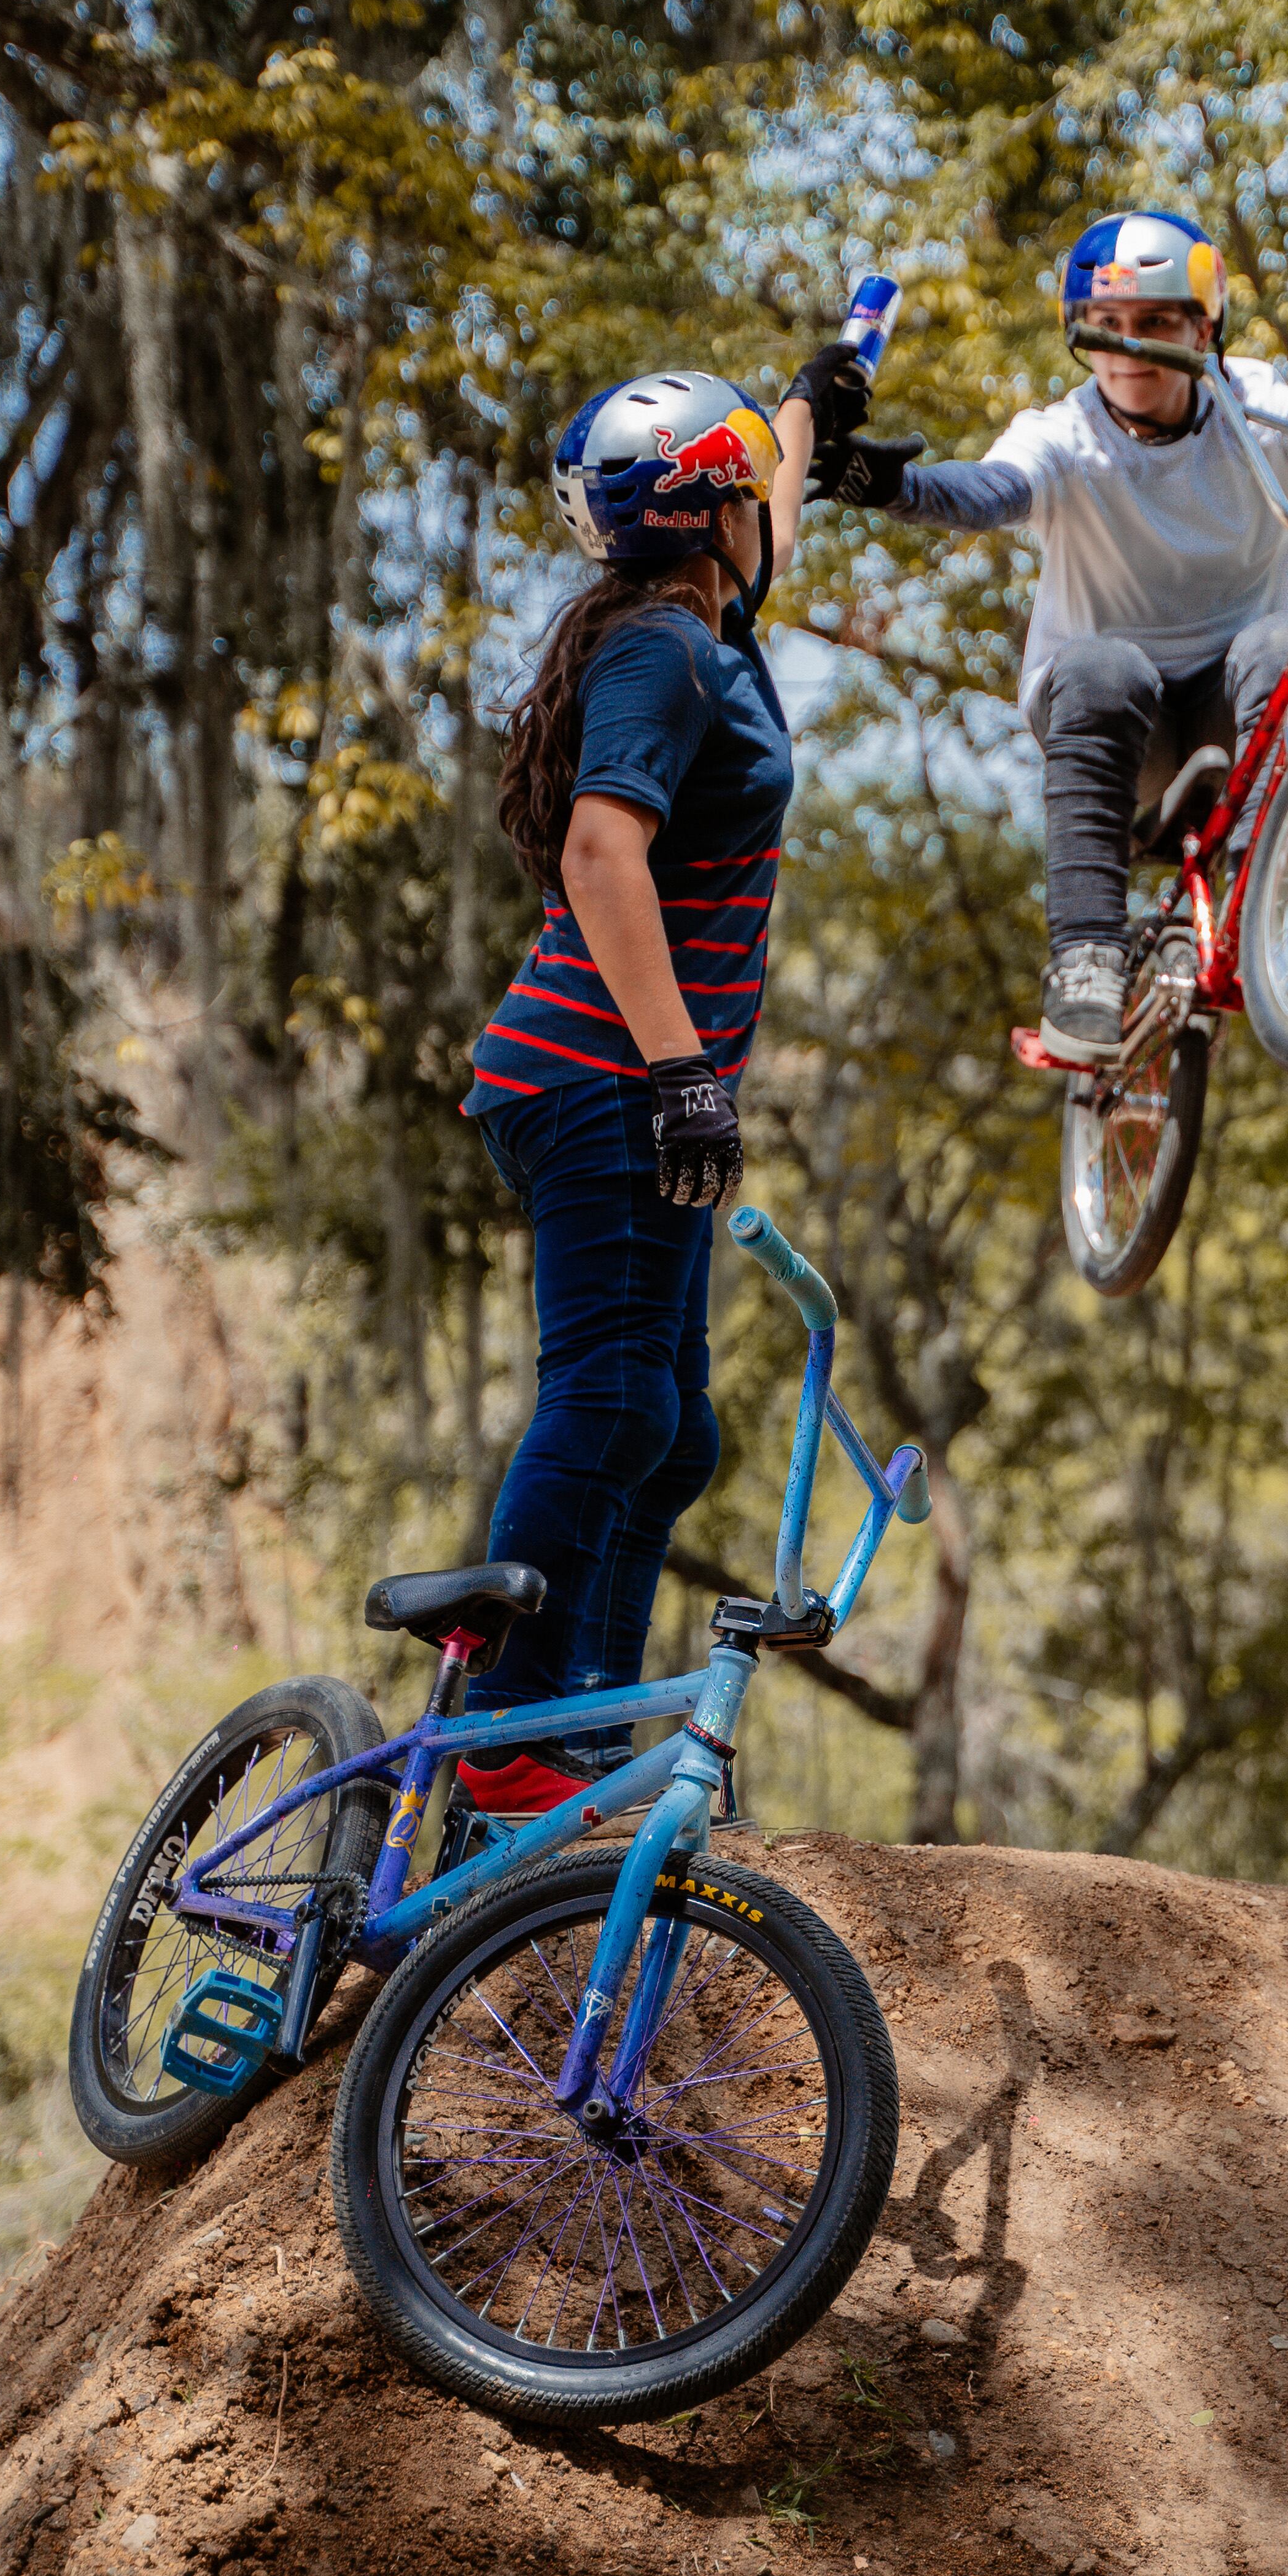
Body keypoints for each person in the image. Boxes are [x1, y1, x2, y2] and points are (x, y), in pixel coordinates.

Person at [793, 211, 1288, 1058]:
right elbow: (987, 492)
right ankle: (1086, 960)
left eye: (1157, 325)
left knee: (1280, 640)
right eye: (1110, 329)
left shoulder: (1259, 406)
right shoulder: (1064, 435)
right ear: (1083, 337)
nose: (1132, 350)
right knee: (1106, 666)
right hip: (1116, 726)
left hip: (1241, 711)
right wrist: (891, 486)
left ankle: (1268, 889)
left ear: (1204, 328)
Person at [451, 363, 823, 1824]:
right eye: (749, 485)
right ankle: (503, 1740)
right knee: (609, 1396)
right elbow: (606, 856)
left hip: (627, 1078)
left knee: (673, 1428)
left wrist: (813, 403)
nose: (767, 511)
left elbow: (770, 497)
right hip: (602, 1073)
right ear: (706, 511)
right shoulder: (664, 657)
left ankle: (585, 1730)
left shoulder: (697, 616)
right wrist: (682, 1073)